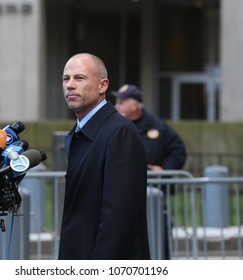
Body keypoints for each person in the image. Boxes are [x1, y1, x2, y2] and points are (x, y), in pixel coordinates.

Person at [58, 53, 150, 260]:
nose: (70, 85)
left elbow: (118, 219)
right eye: (66, 79)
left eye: (79, 78)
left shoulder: (120, 133)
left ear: (102, 85)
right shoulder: (80, 133)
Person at [112, 84, 187, 260]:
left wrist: (165, 169)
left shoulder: (157, 126)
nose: (116, 106)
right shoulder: (114, 126)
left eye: (121, 103)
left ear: (135, 105)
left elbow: (178, 150)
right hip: (121, 195)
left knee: (158, 238)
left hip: (153, 194)